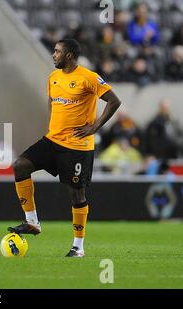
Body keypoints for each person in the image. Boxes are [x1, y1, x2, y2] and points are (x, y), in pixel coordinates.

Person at [8, 39, 121, 257]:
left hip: (78, 146)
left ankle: (78, 246)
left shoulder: (88, 77)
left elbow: (114, 101)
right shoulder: (53, 77)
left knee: (76, 195)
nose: (53, 54)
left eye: (57, 51)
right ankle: (32, 222)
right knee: (20, 165)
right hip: (52, 141)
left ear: (69, 55)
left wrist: (95, 126)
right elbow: (52, 103)